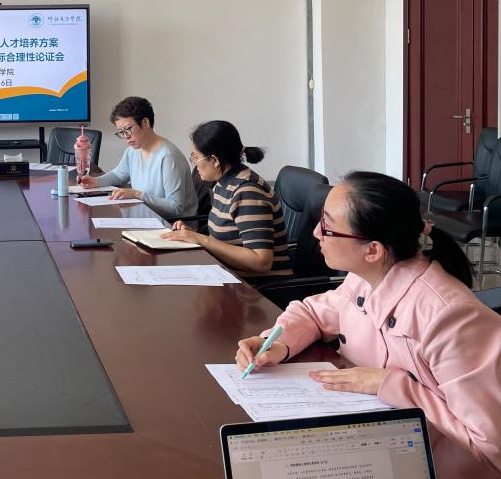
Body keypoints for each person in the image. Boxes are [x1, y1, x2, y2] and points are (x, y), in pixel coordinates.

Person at [235, 172, 501, 478]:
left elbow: (490, 448)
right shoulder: (365, 277)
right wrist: (278, 343)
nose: (316, 233)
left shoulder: (450, 319)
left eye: (327, 226)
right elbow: (314, 311)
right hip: (368, 448)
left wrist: (389, 385)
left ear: (373, 250)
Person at [162, 120, 291, 281]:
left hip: (259, 288)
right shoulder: (223, 183)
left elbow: (261, 262)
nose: (194, 163)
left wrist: (202, 240)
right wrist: (191, 235)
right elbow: (226, 240)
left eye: (195, 157)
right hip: (229, 277)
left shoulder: (247, 192)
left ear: (215, 160)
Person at [79, 96, 197, 218]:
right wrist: (97, 181)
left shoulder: (168, 157)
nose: (126, 137)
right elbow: (118, 175)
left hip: (172, 224)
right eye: (121, 132)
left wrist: (137, 194)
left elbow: (175, 208)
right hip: (145, 217)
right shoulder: (132, 151)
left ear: (145, 123)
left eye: (128, 129)